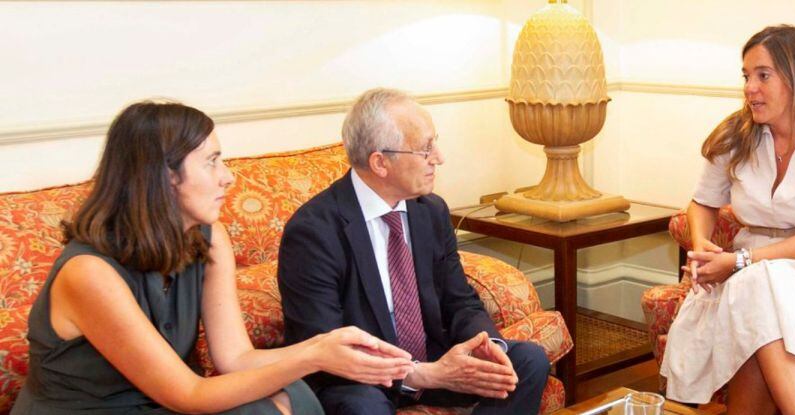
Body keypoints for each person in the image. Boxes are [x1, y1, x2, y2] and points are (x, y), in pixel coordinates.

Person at [12, 101, 415, 415]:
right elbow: (188, 394)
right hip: (95, 410)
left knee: (288, 393)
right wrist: (312, 356)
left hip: (165, 403)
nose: (228, 176)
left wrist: (329, 346)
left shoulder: (209, 238)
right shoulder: (89, 273)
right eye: (211, 162)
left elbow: (236, 359)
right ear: (165, 176)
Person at [276, 88, 550, 415]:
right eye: (424, 148)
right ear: (380, 162)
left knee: (527, 361)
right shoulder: (314, 231)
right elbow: (327, 346)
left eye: (434, 142)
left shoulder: (430, 211)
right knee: (364, 408)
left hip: (431, 356)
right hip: (358, 379)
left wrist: (488, 347)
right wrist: (420, 375)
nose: (439, 157)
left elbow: (458, 299)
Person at [659, 25, 795, 414]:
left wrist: (737, 262)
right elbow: (703, 203)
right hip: (752, 272)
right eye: (746, 76)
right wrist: (700, 246)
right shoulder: (736, 134)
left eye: (763, 75)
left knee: (760, 287)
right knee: (758, 295)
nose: (750, 87)